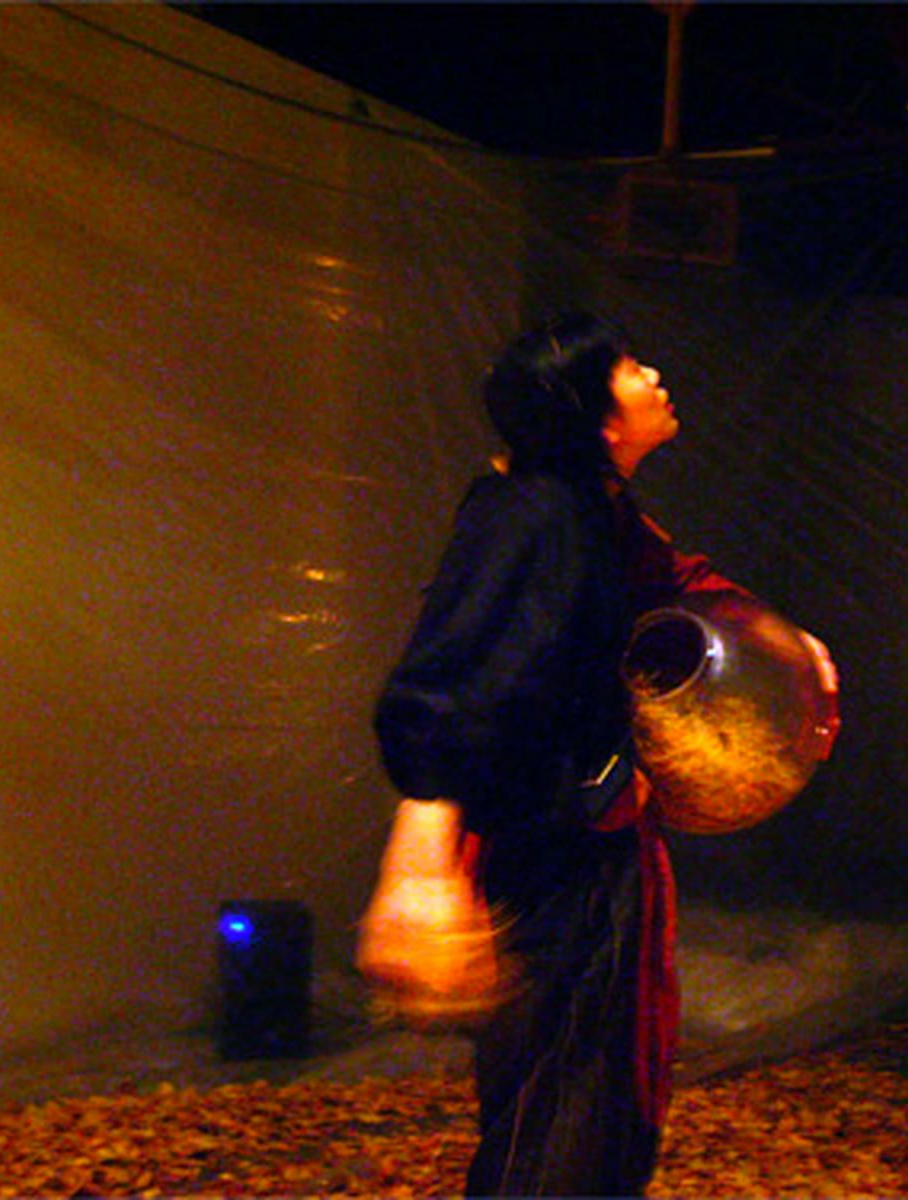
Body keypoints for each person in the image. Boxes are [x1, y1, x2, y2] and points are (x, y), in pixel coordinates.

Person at [356, 312, 837, 1197]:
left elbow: (669, 582)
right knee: (560, 1118)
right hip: (554, 862)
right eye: (626, 367)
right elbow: (450, 678)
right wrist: (417, 866)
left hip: (593, 851)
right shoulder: (531, 513)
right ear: (597, 415)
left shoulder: (592, 511)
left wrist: (780, 643)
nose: (652, 374)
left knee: (595, 1106)